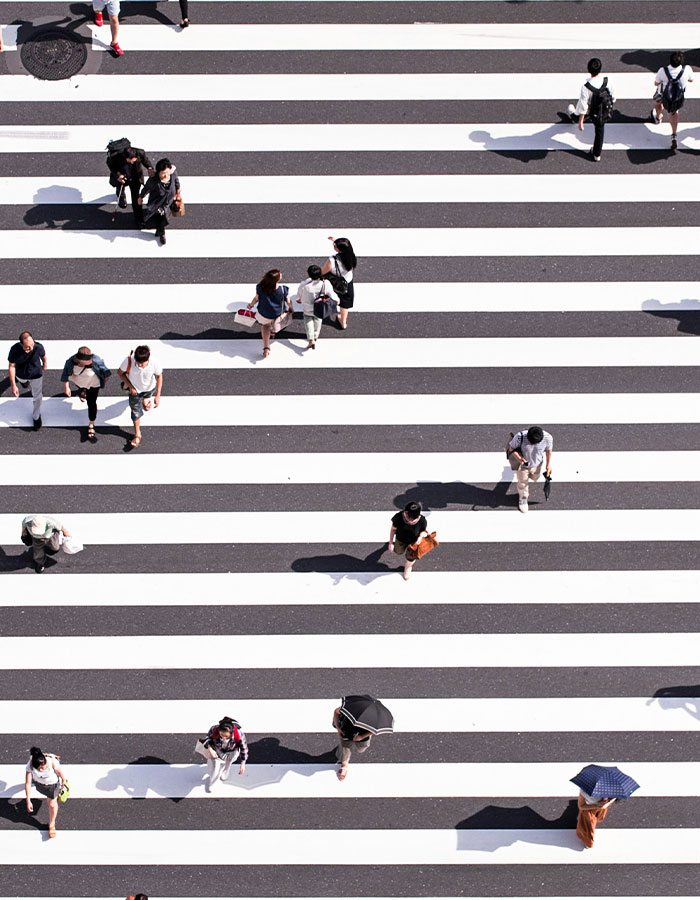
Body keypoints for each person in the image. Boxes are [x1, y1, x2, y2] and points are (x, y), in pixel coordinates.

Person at [567, 58, 615, 162]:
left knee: (581, 110)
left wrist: (580, 121)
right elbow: (613, 96)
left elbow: (584, 106)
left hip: (592, 111)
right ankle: (596, 154)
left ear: (589, 69)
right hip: (603, 111)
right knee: (600, 132)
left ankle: (575, 117)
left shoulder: (586, 87)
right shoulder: (607, 81)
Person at [60, 346, 111, 441]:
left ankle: (91, 422)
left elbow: (105, 369)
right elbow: (65, 374)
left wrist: (106, 376)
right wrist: (66, 387)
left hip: (93, 384)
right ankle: (83, 391)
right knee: (81, 388)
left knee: (91, 403)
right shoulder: (70, 362)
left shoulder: (95, 360)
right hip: (80, 382)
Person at [117, 345, 163, 449]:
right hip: (135, 391)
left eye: (142, 363)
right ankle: (137, 434)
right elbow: (120, 372)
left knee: (146, 399)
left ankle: (146, 401)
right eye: (138, 363)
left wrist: (158, 395)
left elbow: (159, 376)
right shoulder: (129, 360)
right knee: (135, 411)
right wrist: (130, 387)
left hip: (150, 388)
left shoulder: (154, 362)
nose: (140, 365)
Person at [652, 51, 694, 150]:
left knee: (658, 104)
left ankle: (658, 118)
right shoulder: (687, 69)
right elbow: (691, 80)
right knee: (674, 113)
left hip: (663, 94)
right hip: (677, 97)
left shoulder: (663, 70)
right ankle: (674, 135)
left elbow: (656, 83)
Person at [247, 268, 293, 359]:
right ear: (278, 280)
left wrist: (251, 305)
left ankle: (266, 348)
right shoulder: (283, 290)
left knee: (265, 326)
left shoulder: (260, 287)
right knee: (276, 323)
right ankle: (273, 331)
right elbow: (288, 301)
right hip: (278, 313)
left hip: (264, 313)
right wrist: (291, 308)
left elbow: (256, 298)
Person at [25, 746, 69, 838]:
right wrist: (28, 800)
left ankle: (52, 824)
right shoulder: (31, 764)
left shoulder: (52, 762)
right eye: (39, 769)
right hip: (39, 784)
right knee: (50, 802)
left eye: (43, 767)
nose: (41, 770)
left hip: (52, 785)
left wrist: (64, 779)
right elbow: (28, 782)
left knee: (52, 804)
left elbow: (59, 771)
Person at [508, 425, 553, 514]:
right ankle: (523, 498)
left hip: (537, 463)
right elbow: (511, 448)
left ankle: (528, 481)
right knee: (523, 482)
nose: (532, 445)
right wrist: (519, 459)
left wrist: (548, 465)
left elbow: (549, 451)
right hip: (523, 466)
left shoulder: (548, 438)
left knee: (535, 477)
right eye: (530, 442)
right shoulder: (520, 437)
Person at [8, 331, 47, 431]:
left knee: (38, 397)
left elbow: (43, 356)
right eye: (27, 347)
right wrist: (13, 385)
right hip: (21, 374)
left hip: (36, 375)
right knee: (23, 382)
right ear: (21, 344)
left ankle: (36, 416)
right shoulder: (15, 349)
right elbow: (12, 366)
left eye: (32, 345)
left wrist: (45, 363)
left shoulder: (38, 347)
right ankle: (23, 383)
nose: (31, 348)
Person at [138, 158, 181, 246]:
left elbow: (176, 182)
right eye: (163, 173)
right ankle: (161, 233)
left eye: (167, 173)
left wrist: (178, 193)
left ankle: (160, 230)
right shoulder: (154, 180)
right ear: (158, 172)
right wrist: (141, 197)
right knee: (161, 216)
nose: (165, 175)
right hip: (156, 202)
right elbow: (146, 189)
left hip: (168, 201)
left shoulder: (173, 174)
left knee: (162, 215)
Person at [107, 145, 154, 226]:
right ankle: (120, 195)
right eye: (130, 160)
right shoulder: (116, 156)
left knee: (136, 198)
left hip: (135, 178)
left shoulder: (140, 152)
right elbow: (110, 164)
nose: (132, 162)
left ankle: (138, 219)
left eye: (134, 160)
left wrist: (149, 167)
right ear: (125, 157)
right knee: (120, 187)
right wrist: (118, 175)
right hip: (123, 176)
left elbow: (145, 160)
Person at [296, 264, 339, 350]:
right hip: (320, 307)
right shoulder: (325, 283)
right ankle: (316, 335)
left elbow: (298, 297)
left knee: (308, 320)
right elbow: (332, 295)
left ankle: (311, 339)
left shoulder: (304, 284)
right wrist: (337, 301)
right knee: (318, 319)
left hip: (307, 307)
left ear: (308, 274)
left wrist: (299, 300)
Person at [203, 716, 248, 791]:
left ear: (232, 732)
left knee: (228, 763)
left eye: (227, 736)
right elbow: (207, 739)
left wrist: (243, 763)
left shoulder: (239, 734)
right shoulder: (214, 729)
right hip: (218, 749)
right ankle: (213, 782)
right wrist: (211, 750)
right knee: (215, 766)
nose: (223, 738)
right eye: (221, 735)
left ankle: (225, 772)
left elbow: (244, 748)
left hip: (232, 751)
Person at [321, 236, 357, 330]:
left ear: (339, 250)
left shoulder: (332, 260)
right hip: (347, 282)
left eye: (335, 246)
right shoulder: (351, 257)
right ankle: (343, 321)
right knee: (345, 303)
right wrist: (336, 241)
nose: (334, 246)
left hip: (333, 282)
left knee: (327, 295)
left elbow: (323, 272)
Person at [388, 501, 429, 581]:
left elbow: (422, 531)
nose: (406, 517)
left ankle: (408, 567)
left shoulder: (422, 521)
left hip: (413, 543)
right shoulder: (399, 517)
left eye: (409, 518)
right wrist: (390, 543)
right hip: (400, 539)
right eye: (405, 514)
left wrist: (420, 537)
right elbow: (393, 530)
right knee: (398, 551)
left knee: (411, 557)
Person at [332, 704, 372, 781]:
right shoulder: (348, 709)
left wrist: (362, 737)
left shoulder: (370, 717)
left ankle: (344, 763)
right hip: (346, 733)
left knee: (361, 749)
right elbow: (336, 712)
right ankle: (344, 765)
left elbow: (374, 730)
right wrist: (338, 729)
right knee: (344, 750)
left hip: (362, 736)